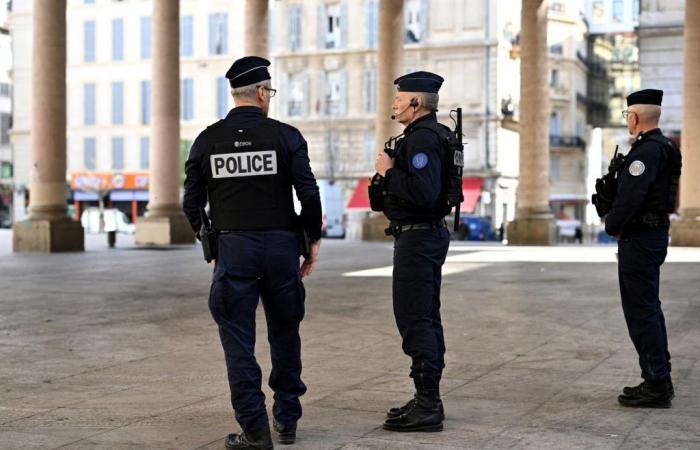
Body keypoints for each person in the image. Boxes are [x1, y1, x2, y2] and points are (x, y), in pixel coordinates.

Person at [183, 56, 322, 449]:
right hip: (280, 248)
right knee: (285, 332)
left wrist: (209, 242)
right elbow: (308, 195)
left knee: (238, 340)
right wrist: (310, 241)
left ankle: (255, 429)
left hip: (234, 248)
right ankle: (287, 417)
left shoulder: (207, 141)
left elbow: (191, 203)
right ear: (261, 93)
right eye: (270, 91)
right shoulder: (286, 136)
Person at [373, 71, 451, 432]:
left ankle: (427, 403)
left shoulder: (422, 140)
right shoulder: (426, 136)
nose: (394, 103)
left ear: (417, 103)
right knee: (424, 315)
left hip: (418, 238)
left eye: (400, 98)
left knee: (414, 316)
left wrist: (388, 173)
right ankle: (426, 396)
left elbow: (423, 192)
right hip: (423, 236)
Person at [606, 89, 682, 408]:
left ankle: (656, 383)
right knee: (649, 307)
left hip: (640, 237)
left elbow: (631, 197)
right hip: (654, 233)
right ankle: (658, 376)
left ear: (634, 117)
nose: (627, 121)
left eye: (627, 115)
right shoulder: (666, 147)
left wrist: (612, 224)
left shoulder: (646, 152)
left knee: (641, 311)